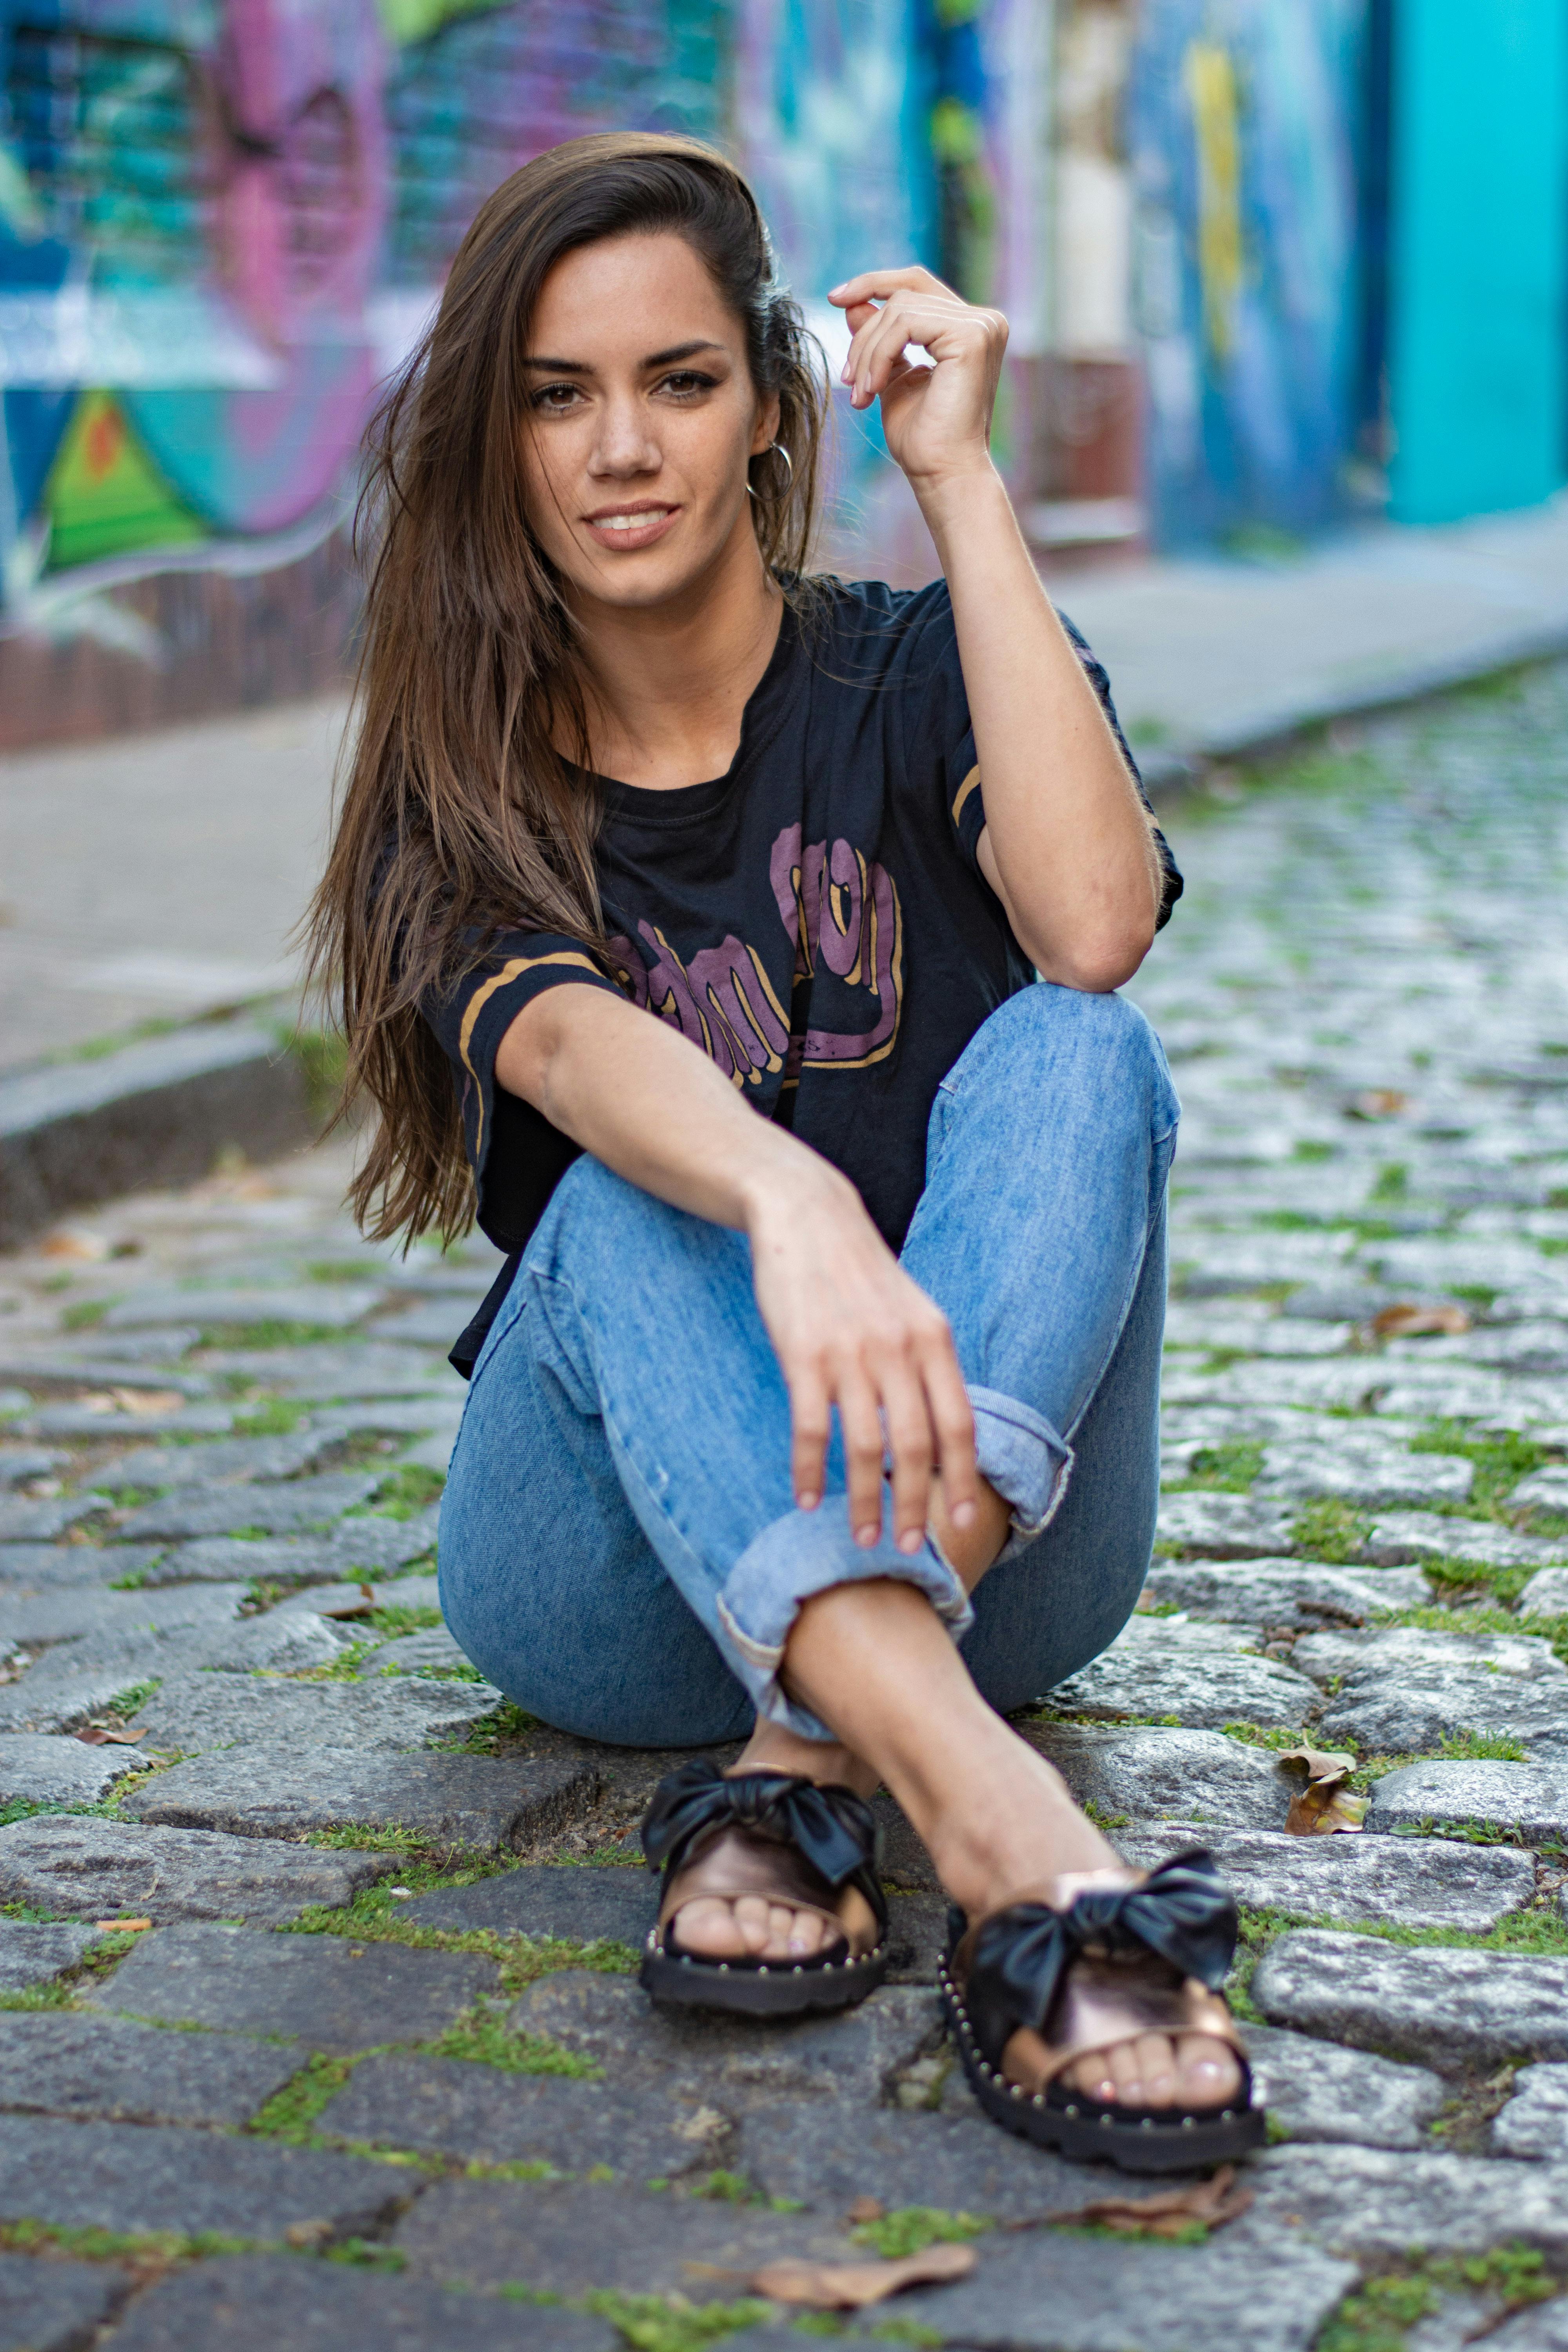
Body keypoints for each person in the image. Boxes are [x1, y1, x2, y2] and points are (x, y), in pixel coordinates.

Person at [308, 130, 1263, 2174]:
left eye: (676, 382)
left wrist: (965, 486)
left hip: (992, 1514)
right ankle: (1017, 1842)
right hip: (613, 1586)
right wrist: (792, 1192)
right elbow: (562, 1047)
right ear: (500, 446)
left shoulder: (918, 677)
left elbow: (1092, 924)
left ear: (765, 409)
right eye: (556, 398)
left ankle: (814, 1748)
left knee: (1083, 1050)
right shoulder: (458, 794)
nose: (618, 449)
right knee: (623, 1192)